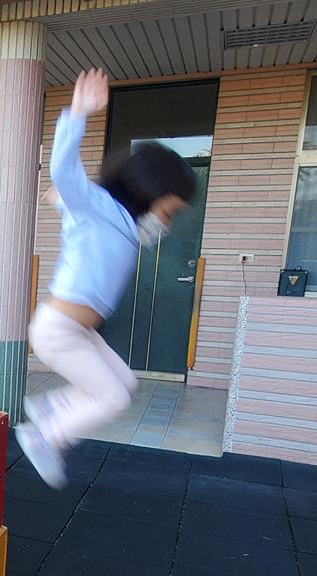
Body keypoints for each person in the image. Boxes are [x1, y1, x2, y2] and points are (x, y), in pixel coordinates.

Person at [17, 69, 196, 490]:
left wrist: (62, 202)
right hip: (58, 330)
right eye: (168, 212)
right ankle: (45, 434)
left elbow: (107, 231)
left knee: (126, 383)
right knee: (112, 398)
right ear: (148, 192)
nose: (167, 223)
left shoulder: (126, 225)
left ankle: (52, 408)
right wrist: (78, 113)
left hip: (80, 331)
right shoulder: (97, 207)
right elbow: (64, 173)